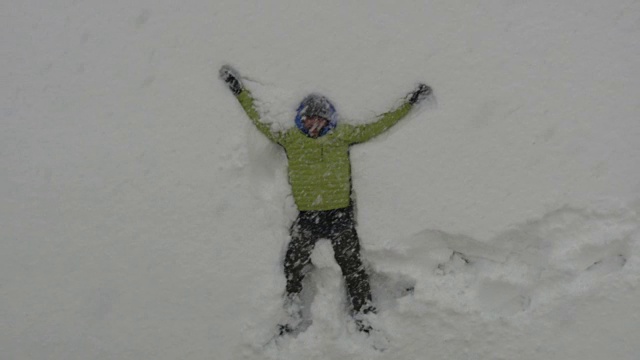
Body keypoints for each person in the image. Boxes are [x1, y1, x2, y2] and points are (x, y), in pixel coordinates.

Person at [219, 65, 432, 335]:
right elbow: (260, 119)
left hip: (339, 215)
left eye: (319, 119)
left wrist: (410, 103)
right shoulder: (290, 140)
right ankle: (291, 309)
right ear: (301, 119)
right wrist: (239, 90)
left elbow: (379, 125)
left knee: (352, 264)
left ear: (328, 118)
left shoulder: (341, 136)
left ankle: (364, 311)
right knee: (292, 262)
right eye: (309, 119)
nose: (314, 124)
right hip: (308, 216)